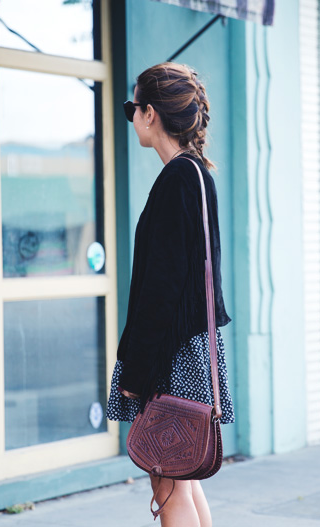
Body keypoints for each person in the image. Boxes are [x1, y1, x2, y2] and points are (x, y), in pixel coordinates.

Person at [106, 62, 234, 527]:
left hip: (170, 353)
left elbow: (161, 288)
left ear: (150, 113)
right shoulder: (197, 174)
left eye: (131, 107)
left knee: (167, 482)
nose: (132, 115)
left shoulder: (177, 178)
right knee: (182, 477)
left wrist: (136, 371)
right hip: (192, 348)